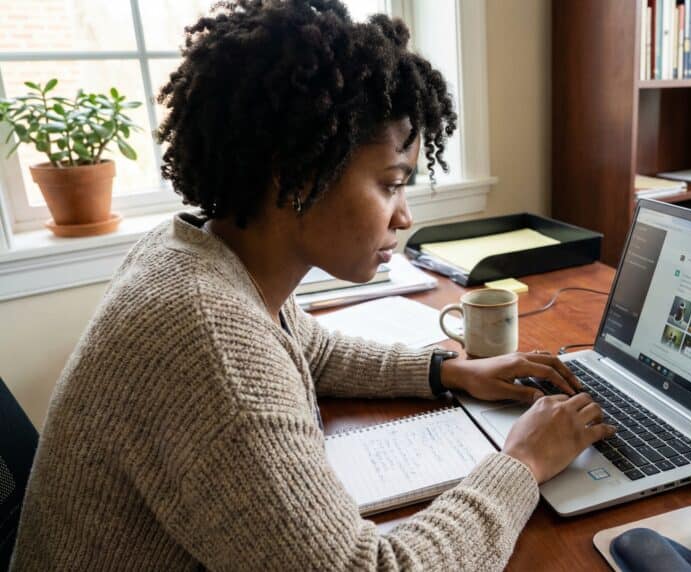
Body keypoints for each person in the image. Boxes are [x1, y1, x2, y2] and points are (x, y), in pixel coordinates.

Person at [12, 2, 614, 569]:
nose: (404, 217)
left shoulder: (201, 256)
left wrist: (448, 372)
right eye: (390, 183)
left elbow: (314, 349)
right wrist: (521, 462)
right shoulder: (208, 339)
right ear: (296, 175)